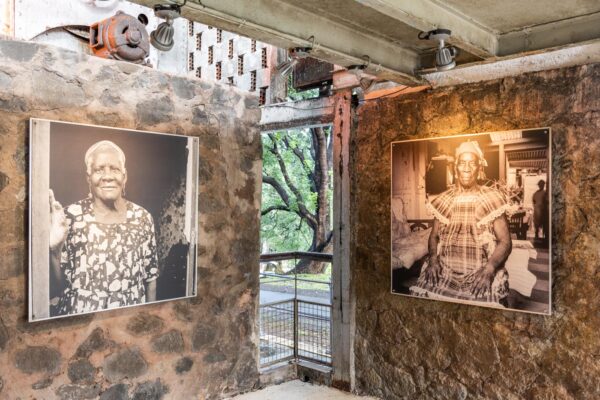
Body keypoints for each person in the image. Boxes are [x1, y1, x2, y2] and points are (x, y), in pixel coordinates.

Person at [49, 140, 159, 316]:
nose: (107, 176)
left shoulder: (142, 217)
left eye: (114, 169)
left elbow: (150, 279)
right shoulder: (69, 217)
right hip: (79, 326)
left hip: (129, 324)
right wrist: (54, 250)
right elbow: (55, 288)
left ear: (125, 176)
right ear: (88, 178)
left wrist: (150, 319)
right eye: (99, 169)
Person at [411, 141, 512, 306]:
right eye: (462, 163)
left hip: (480, 271)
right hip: (445, 271)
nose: (466, 168)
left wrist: (490, 269)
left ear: (479, 169)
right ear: (456, 168)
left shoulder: (492, 198)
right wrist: (434, 261)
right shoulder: (443, 200)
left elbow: (506, 242)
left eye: (472, 163)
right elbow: (434, 236)